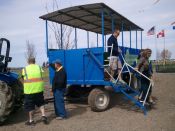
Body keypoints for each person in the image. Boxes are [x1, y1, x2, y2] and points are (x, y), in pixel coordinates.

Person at [22, 57, 48, 126]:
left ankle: (31, 121)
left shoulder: (24, 69)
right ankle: (43, 116)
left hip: (29, 91)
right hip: (39, 90)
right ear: (34, 61)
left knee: (30, 107)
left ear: (28, 61)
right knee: (41, 103)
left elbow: (23, 78)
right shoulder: (39, 67)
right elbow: (41, 76)